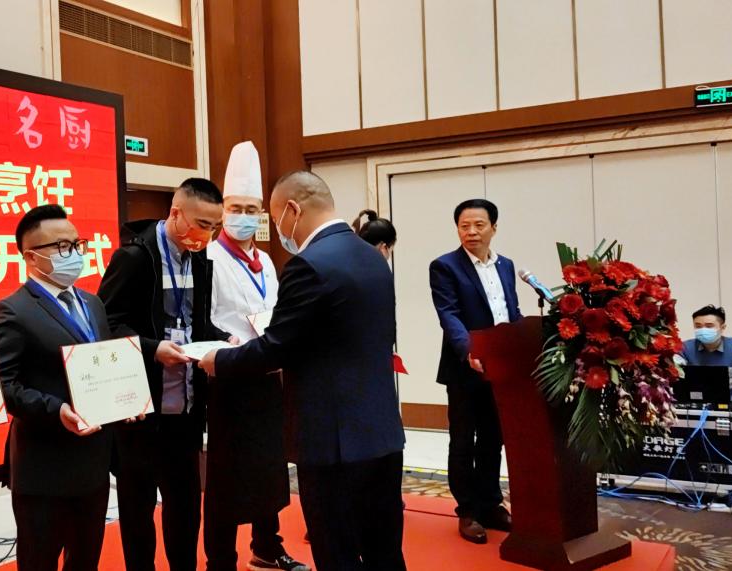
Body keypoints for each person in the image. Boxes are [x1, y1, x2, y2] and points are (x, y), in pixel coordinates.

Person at [200, 171, 406, 571]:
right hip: (380, 429)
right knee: (384, 549)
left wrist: (218, 360)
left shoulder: (308, 264)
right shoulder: (372, 255)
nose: (278, 230)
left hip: (332, 438)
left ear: (292, 210)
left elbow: (277, 347)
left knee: (336, 550)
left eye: (274, 218)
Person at [0, 205, 160, 570]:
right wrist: (57, 410)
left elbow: (103, 364)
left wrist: (125, 399)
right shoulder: (11, 310)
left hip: (94, 464)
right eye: (61, 247)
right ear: (31, 256)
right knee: (39, 561)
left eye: (76, 244)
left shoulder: (92, 303)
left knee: (85, 559)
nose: (74, 254)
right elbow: (5, 386)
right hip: (45, 467)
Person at [97, 178, 228, 571]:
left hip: (185, 407)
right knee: (137, 508)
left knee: (185, 504)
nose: (207, 234)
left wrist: (223, 340)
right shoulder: (134, 257)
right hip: (141, 410)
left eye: (214, 227)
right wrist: (153, 349)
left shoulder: (199, 258)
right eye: (202, 224)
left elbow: (197, 323)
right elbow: (107, 323)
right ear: (176, 214)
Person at [203, 143, 308, 571]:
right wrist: (225, 341)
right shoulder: (208, 257)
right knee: (225, 476)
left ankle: (266, 545)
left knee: (269, 466)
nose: (243, 216)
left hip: (268, 372)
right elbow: (201, 320)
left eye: (251, 209)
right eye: (235, 208)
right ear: (222, 210)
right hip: (227, 376)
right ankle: (220, 559)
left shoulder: (265, 259)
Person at [428, 198, 521, 544]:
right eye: (464, 226)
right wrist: (469, 349)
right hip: (464, 368)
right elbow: (449, 314)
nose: (471, 232)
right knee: (464, 441)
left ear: (493, 228)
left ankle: (490, 503)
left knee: (493, 439)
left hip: (502, 368)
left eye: (479, 225)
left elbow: (510, 311)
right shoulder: (445, 266)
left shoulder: (506, 266)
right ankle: (467, 510)